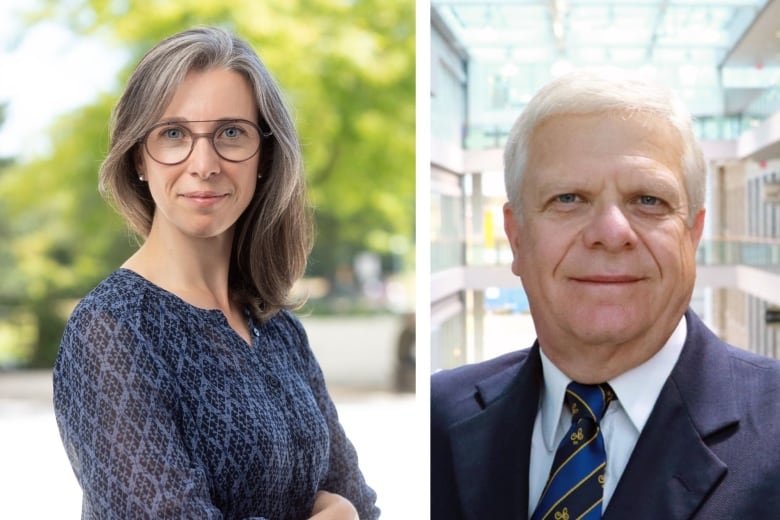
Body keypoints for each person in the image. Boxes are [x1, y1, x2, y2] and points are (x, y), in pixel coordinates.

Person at [53, 26, 379, 520]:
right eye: (173, 134)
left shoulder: (277, 329)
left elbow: (361, 500)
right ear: (140, 156)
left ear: (264, 156)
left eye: (230, 133)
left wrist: (350, 512)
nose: (203, 164)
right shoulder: (110, 331)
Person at [431, 70, 780, 519]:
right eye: (569, 198)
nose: (611, 233)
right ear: (516, 238)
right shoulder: (438, 417)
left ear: (692, 234)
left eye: (648, 200)